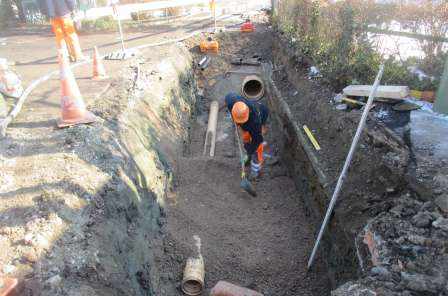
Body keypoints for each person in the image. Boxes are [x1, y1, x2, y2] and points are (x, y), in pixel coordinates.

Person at [224, 92, 269, 179]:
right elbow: (227, 97)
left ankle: (256, 170)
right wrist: (240, 129)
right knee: (245, 138)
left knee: (257, 148)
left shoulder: (255, 121)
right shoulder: (231, 101)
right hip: (247, 120)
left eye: (242, 121)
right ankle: (248, 157)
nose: (241, 123)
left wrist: (250, 149)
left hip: (262, 113)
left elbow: (257, 140)